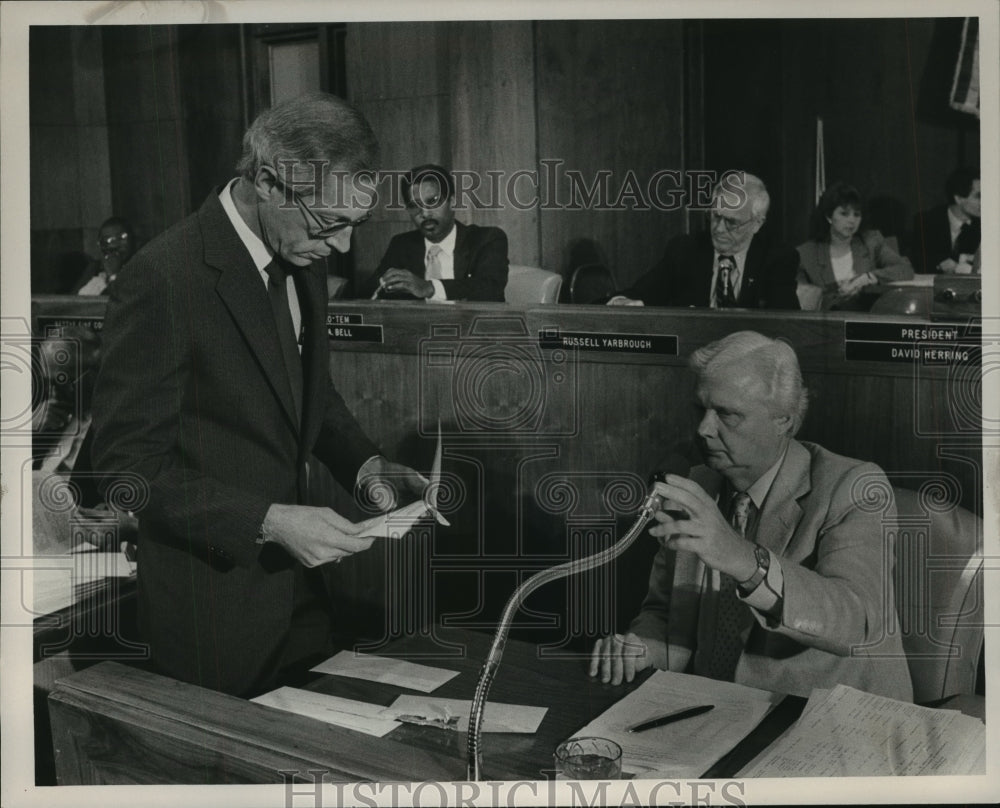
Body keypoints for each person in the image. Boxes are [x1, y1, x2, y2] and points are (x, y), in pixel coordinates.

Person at [91, 92, 428, 697]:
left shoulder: (303, 248)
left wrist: (365, 463)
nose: (345, 247)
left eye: (356, 223)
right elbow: (126, 468)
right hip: (213, 615)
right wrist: (268, 523)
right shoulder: (164, 277)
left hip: (302, 604)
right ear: (269, 182)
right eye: (331, 223)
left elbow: (306, 390)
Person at [589, 331, 912, 701]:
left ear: (784, 422)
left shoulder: (854, 487)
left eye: (727, 414)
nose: (703, 429)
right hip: (717, 713)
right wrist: (642, 648)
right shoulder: (697, 485)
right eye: (701, 409)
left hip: (830, 721)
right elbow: (666, 614)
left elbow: (856, 622)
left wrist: (741, 558)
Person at [606, 172, 799, 309]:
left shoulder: (778, 258)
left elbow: (785, 324)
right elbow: (643, 293)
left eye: (731, 222)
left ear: (757, 224)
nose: (718, 228)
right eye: (715, 216)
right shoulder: (685, 250)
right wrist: (621, 301)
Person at [365, 164, 509, 301]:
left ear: (452, 201)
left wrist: (429, 287)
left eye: (433, 201)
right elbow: (370, 292)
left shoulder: (487, 239)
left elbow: (490, 288)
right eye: (414, 206)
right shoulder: (402, 245)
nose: (424, 213)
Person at [797, 182, 914, 311]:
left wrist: (868, 278)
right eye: (844, 214)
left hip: (866, 318)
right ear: (829, 216)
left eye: (856, 214)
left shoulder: (871, 241)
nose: (852, 220)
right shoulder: (805, 254)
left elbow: (905, 269)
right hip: (826, 323)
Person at [910, 166, 981, 275]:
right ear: (959, 198)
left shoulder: (984, 225)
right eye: (978, 196)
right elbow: (918, 259)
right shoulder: (927, 220)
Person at [72, 217, 136, 295]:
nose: (113, 246)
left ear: (133, 239)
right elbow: (74, 301)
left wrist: (113, 275)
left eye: (121, 238)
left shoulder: (142, 267)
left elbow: (124, 301)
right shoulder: (95, 268)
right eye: (106, 241)